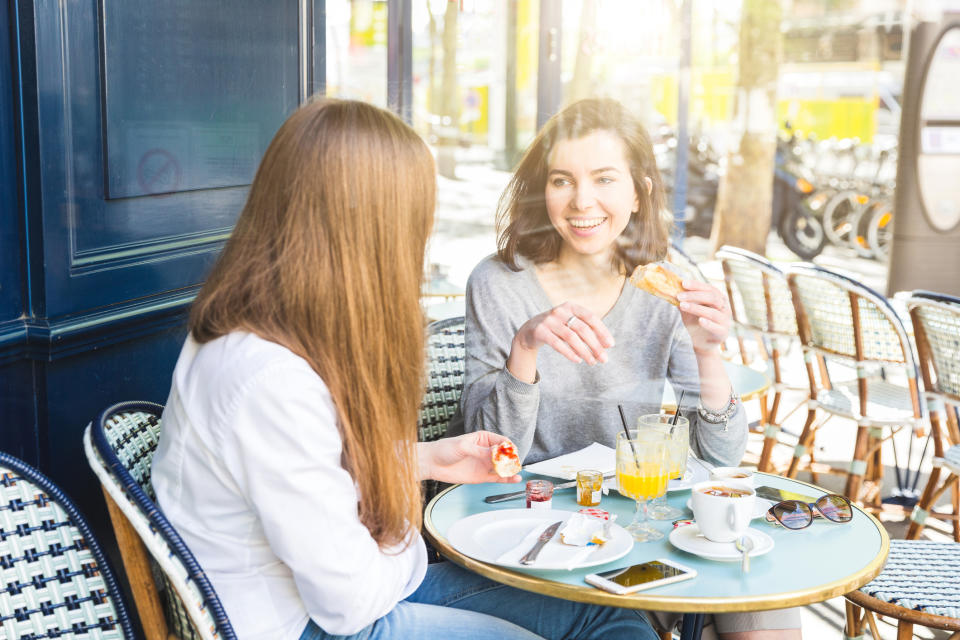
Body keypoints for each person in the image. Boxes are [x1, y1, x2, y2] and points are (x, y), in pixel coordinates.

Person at [150, 98, 659, 640]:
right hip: (307, 624)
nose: (421, 241)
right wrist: (410, 540)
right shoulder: (269, 381)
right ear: (367, 229)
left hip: (321, 597)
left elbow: (299, 468)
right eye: (415, 219)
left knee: (609, 610)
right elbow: (352, 602)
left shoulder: (257, 337)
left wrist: (424, 459)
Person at [457, 98, 801, 640]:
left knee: (763, 596)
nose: (581, 201)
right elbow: (491, 455)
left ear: (637, 192)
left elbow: (720, 458)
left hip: (644, 521)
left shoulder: (664, 285)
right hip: (543, 534)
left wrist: (709, 354)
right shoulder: (499, 283)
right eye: (562, 180)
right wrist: (526, 347)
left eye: (604, 179)